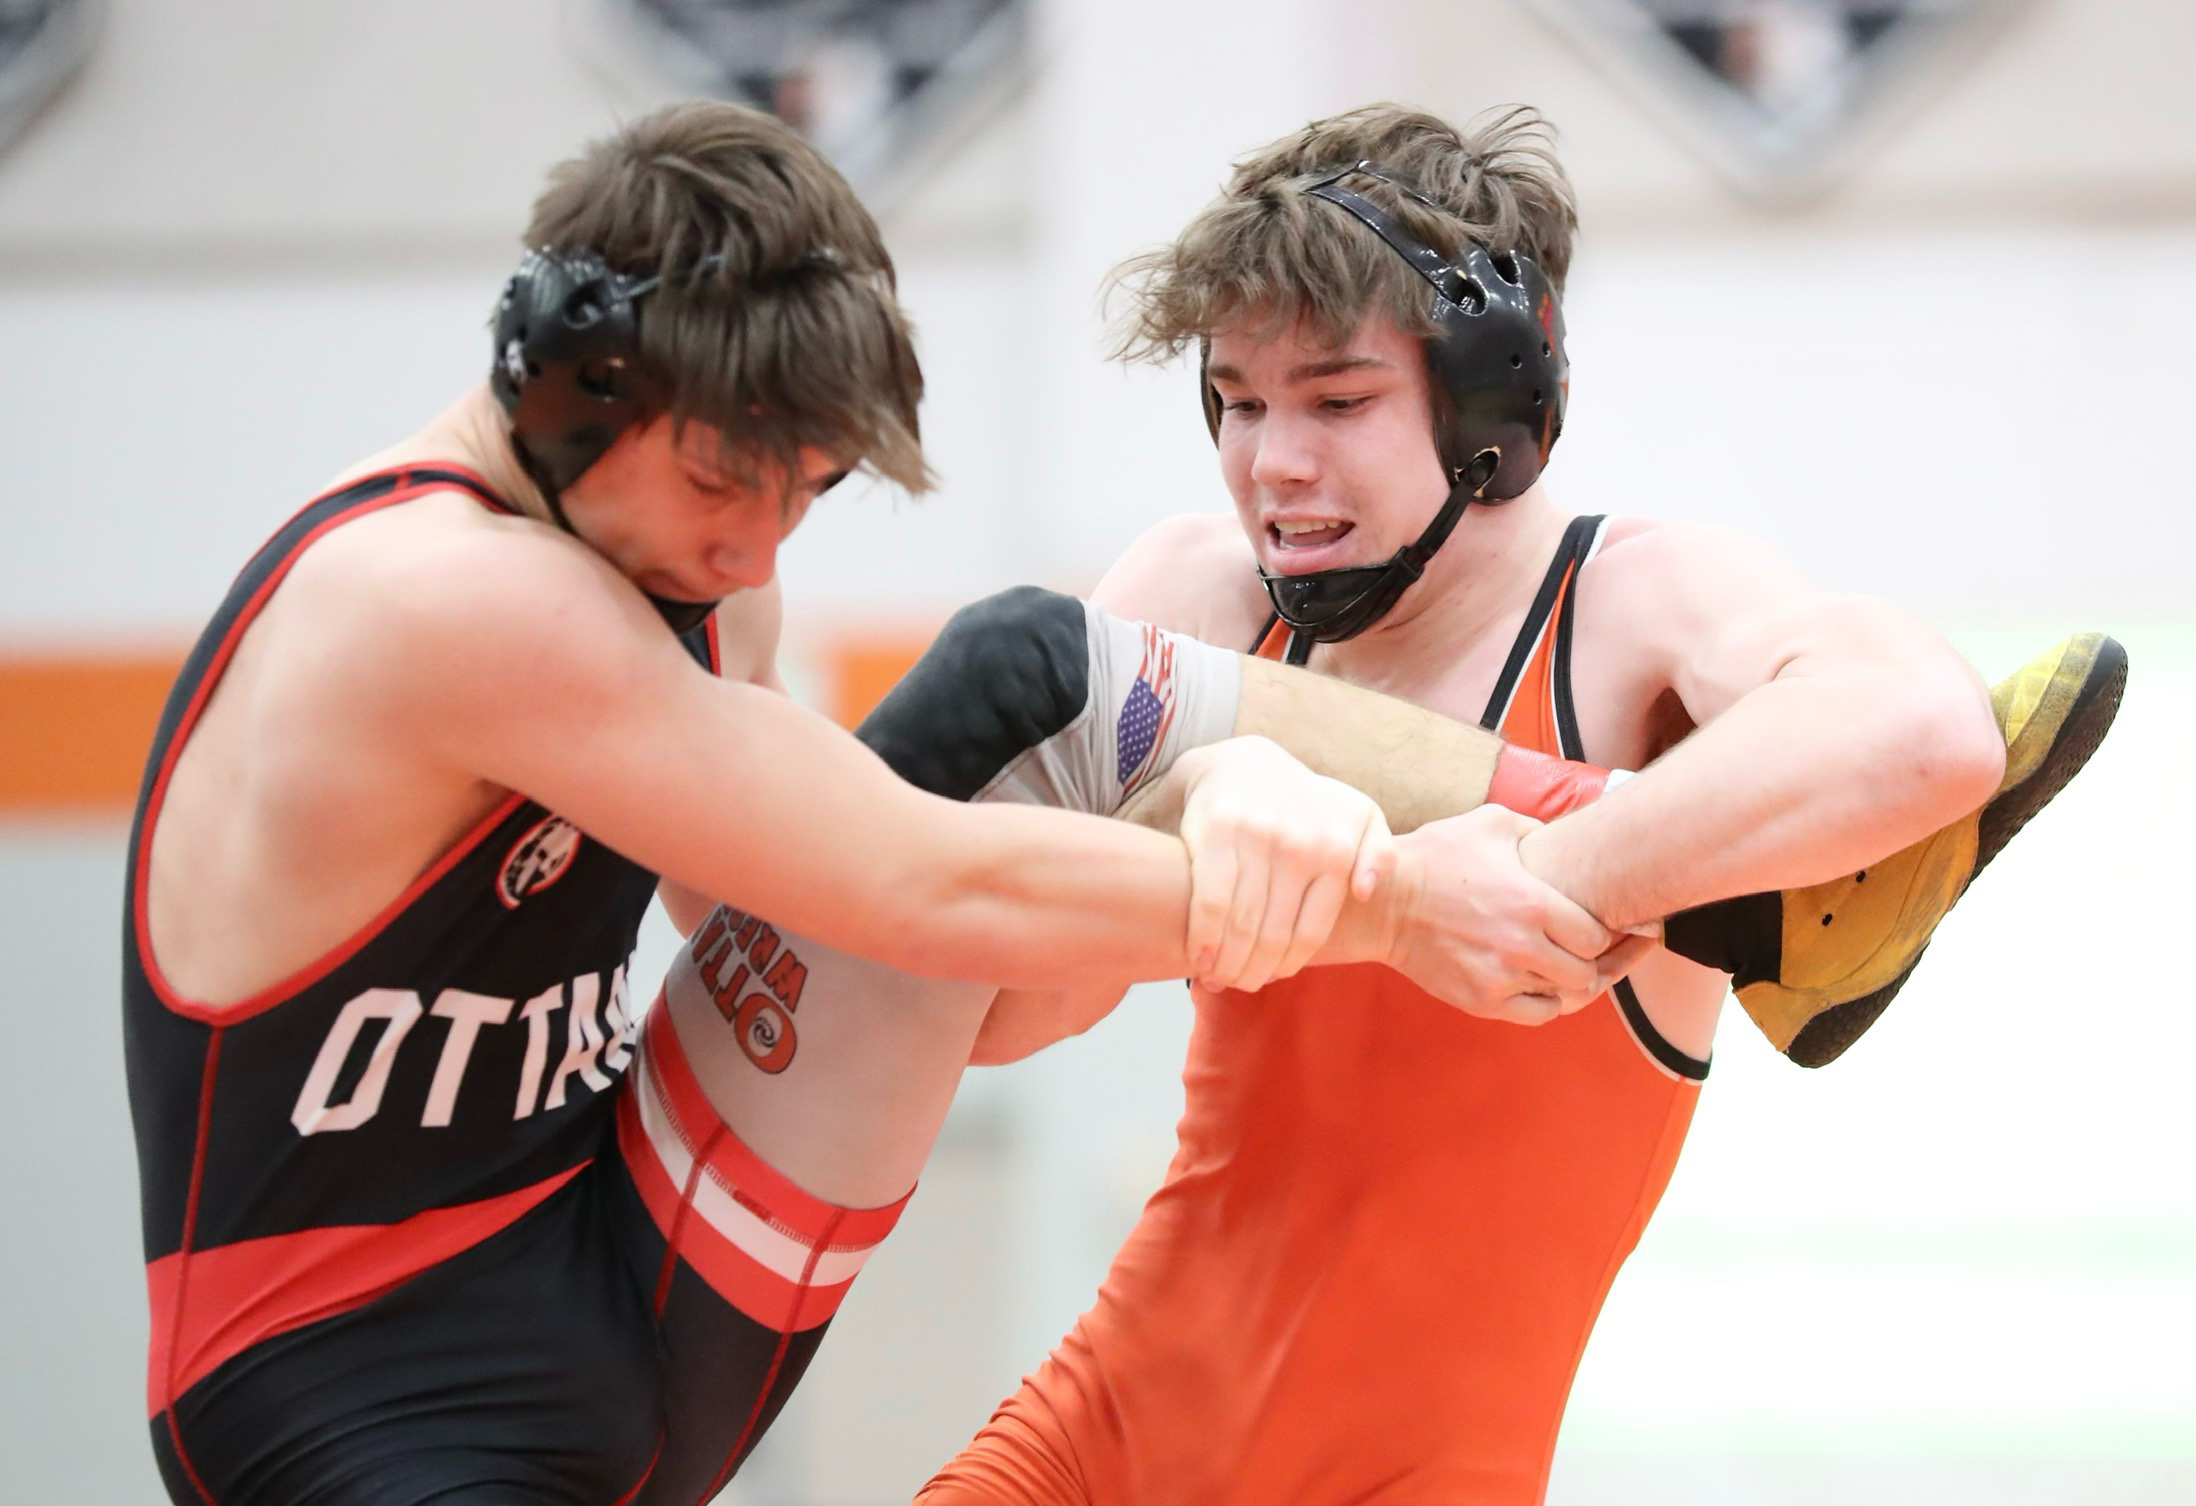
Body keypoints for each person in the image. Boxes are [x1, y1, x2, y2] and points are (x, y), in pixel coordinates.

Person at [125, 101, 1624, 1506]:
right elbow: (914, 889)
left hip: (623, 1242)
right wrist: (1386, 903)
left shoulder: (697, 570)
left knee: (1030, 680)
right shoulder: (442, 596)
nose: (755, 547)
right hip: (358, 1378)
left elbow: (799, 922)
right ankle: (1530, 832)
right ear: (568, 387)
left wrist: (1203, 796)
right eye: (723, 482)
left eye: (806, 490)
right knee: (988, 747)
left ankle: (1596, 819)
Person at [907, 104, 2125, 1505]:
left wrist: (1557, 875)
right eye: (1238, 402)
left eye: (1337, 401)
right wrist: (1208, 807)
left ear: (1495, 405)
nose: (1272, 463)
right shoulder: (1203, 598)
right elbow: (1006, 1019)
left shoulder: (1629, 611)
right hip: (1093, 1443)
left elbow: (1926, 728)